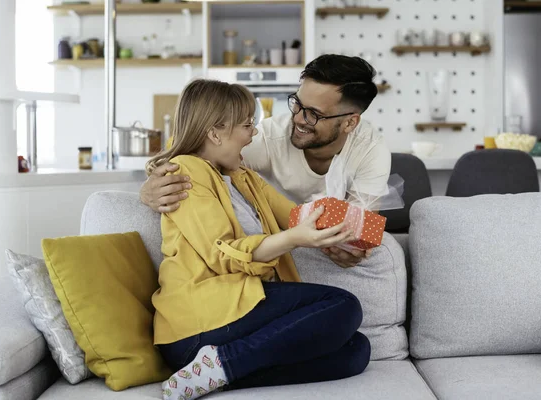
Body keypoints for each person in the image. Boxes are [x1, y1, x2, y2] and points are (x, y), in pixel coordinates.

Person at [147, 79, 370, 400]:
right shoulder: (185, 172)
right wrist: (294, 239)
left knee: (356, 350)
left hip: (238, 315)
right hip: (198, 324)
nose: (253, 133)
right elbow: (221, 254)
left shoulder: (243, 177)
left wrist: (350, 232)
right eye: (247, 124)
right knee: (344, 305)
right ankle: (224, 362)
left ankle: (213, 373)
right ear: (214, 132)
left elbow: (299, 216)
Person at [141, 54, 391, 268]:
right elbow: (196, 146)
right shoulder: (269, 139)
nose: (300, 119)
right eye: (297, 104)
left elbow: (361, 225)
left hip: (304, 240)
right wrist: (150, 187)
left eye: (314, 114)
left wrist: (352, 248)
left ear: (350, 122)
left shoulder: (371, 151)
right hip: (270, 242)